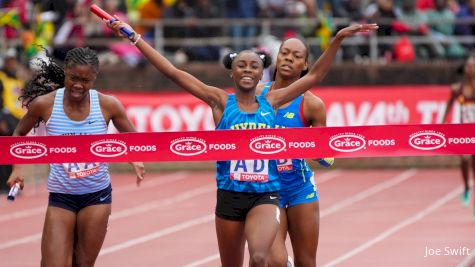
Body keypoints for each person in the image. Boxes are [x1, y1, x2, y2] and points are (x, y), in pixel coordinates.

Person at [108, 18, 377, 267]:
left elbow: (314, 77)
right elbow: (172, 72)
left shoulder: (272, 101)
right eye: (241, 66)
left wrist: (338, 39)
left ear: (262, 74)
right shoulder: (220, 101)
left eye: (253, 67)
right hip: (230, 193)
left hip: (268, 193)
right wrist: (135, 38)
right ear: (231, 73)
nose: (247, 70)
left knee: (262, 259)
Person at [6, 47, 146, 267]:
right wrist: (18, 168)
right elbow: (19, 134)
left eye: (85, 80)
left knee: (82, 263)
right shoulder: (45, 104)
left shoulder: (108, 105)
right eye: (73, 78)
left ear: (94, 78)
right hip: (61, 195)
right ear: (65, 73)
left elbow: (133, 140)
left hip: (96, 196)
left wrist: (133, 157)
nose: (78, 85)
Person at [256, 37, 334, 267]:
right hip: (267, 190)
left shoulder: (312, 104)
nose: (289, 58)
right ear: (277, 57)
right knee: (275, 262)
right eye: (284, 52)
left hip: (300, 189)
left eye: (296, 56)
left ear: (305, 66)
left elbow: (326, 157)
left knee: (307, 262)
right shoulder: (257, 96)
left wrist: (322, 153)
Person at [442, 54, 475, 218]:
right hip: (464, 132)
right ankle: (467, 187)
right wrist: (442, 122)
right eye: (469, 66)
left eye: (473, 66)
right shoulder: (457, 88)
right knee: (465, 159)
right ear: (465, 69)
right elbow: (449, 104)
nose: (471, 69)